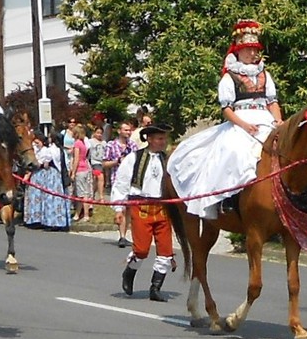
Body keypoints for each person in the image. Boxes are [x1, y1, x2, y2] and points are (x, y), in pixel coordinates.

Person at [166, 19, 284, 221]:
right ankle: (226, 199)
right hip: (240, 121)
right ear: (239, 51)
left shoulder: (265, 74)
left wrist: (279, 121)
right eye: (248, 50)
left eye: (255, 50)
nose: (253, 54)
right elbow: (227, 109)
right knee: (232, 151)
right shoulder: (230, 77)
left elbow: (272, 102)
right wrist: (245, 125)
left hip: (265, 119)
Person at [113, 122, 174, 301]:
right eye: (160, 138)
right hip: (140, 206)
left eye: (164, 138)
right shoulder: (134, 158)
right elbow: (121, 183)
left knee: (165, 250)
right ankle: (129, 273)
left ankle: (155, 288)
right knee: (141, 249)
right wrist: (119, 208)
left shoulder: (167, 160)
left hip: (163, 207)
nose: (163, 142)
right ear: (149, 139)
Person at [24, 134, 71, 230]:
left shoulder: (50, 150)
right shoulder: (61, 150)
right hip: (57, 175)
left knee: (50, 198)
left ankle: (51, 222)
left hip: (51, 175)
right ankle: (59, 221)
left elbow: (43, 163)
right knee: (57, 198)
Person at [103, 119, 138, 246]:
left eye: (129, 130)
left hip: (131, 181)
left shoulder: (133, 146)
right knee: (120, 208)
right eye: (125, 130)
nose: (128, 132)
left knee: (129, 209)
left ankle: (125, 235)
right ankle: (121, 235)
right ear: (119, 131)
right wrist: (117, 161)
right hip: (117, 180)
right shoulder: (111, 145)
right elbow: (105, 163)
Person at [68, 123, 93, 222]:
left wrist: (73, 172)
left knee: (81, 194)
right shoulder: (83, 143)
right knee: (82, 193)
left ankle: (85, 214)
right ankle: (78, 214)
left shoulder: (77, 143)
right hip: (86, 168)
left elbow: (76, 159)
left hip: (80, 170)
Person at [86, 125, 106, 208]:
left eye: (101, 133)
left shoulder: (104, 142)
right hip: (94, 163)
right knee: (100, 177)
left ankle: (92, 195)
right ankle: (101, 197)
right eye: (97, 133)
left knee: (95, 180)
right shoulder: (90, 141)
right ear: (94, 133)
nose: (99, 135)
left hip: (102, 163)